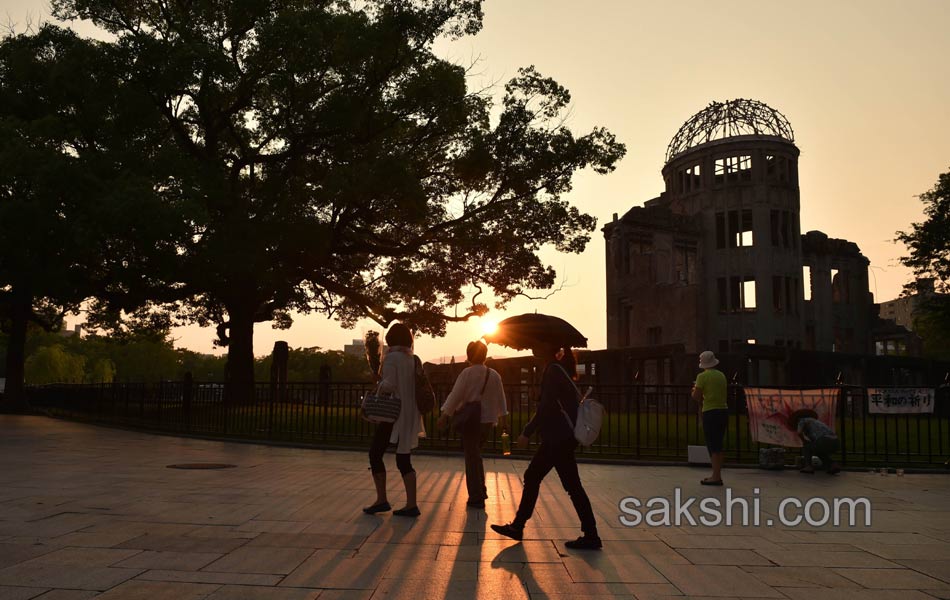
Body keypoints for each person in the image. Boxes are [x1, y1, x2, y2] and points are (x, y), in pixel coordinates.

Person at [490, 343, 601, 550]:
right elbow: (551, 401)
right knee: (565, 484)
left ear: (541, 348)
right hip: (562, 437)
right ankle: (590, 532)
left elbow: (547, 406)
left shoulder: (552, 370)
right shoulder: (557, 369)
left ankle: (519, 525)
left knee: (540, 478)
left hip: (557, 438)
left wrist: (526, 432)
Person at [363, 323, 425, 517]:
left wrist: (378, 382)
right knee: (404, 458)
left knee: (375, 454)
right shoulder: (413, 359)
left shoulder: (391, 357)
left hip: (393, 414)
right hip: (410, 412)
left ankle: (382, 499)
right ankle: (411, 503)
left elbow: (389, 386)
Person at [437, 341, 508, 509]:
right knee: (476, 454)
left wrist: (445, 415)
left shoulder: (467, 373)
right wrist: (504, 419)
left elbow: (456, 395)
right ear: (484, 355)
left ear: (468, 355)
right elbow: (501, 399)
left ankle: (476, 495)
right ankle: (480, 489)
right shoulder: (494, 374)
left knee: (471, 457)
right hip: (488, 420)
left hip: (471, 421)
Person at [691, 350, 728, 486]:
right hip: (723, 410)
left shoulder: (702, 377)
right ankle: (717, 474)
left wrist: (693, 390)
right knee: (719, 442)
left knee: (712, 444)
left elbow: (696, 396)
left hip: (710, 411)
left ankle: (716, 476)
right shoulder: (721, 375)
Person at [791, 409, 841, 474]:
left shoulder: (802, 420)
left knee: (806, 446)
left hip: (825, 440)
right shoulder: (814, 422)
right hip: (835, 442)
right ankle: (833, 465)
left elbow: (799, 433)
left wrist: (804, 441)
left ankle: (808, 466)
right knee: (817, 450)